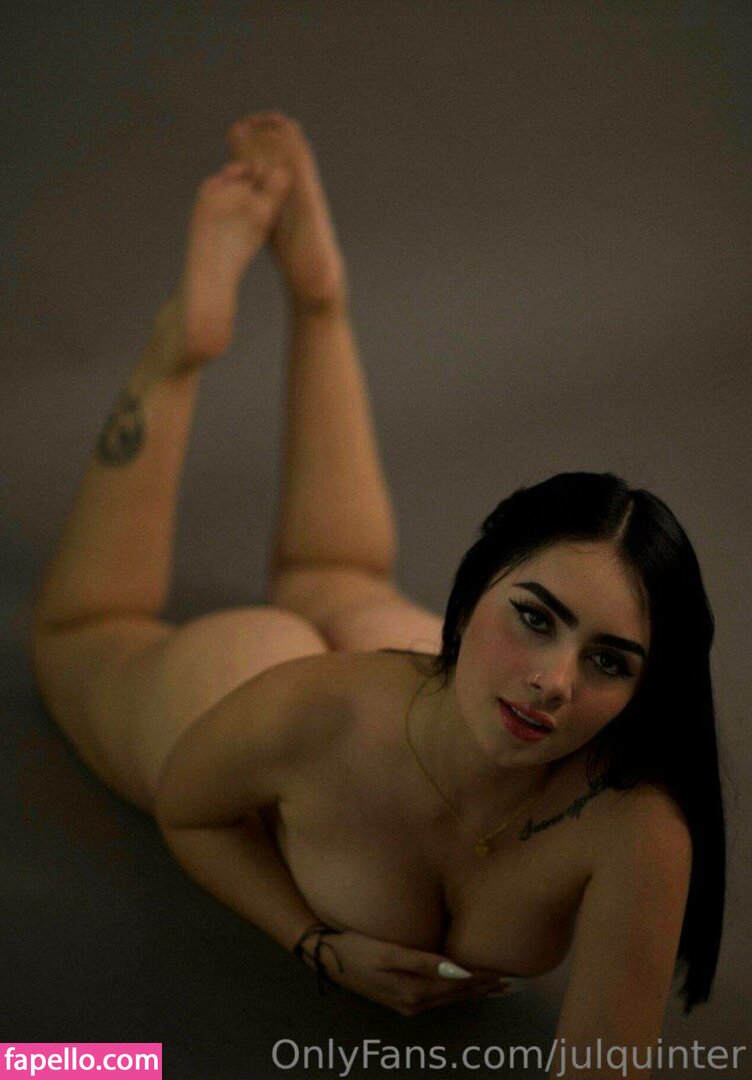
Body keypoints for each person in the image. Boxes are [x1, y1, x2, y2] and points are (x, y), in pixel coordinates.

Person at [31, 112, 724, 1073]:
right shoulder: (308, 709)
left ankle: (321, 300)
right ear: (471, 597)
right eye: (534, 618)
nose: (555, 681)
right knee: (81, 629)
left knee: (341, 582)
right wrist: (314, 942)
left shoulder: (637, 825)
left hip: (423, 692)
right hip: (267, 686)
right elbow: (192, 810)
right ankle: (177, 350)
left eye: (608, 660)